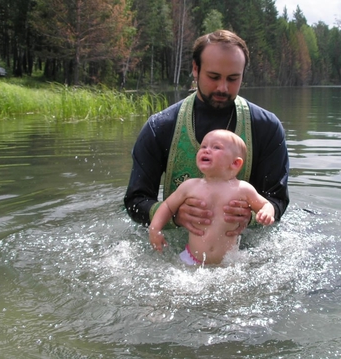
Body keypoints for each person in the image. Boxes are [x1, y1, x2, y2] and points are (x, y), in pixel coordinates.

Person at [124, 29, 289, 237]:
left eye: (233, 79)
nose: (223, 87)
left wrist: (251, 217)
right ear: (195, 69)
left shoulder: (266, 127)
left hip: (243, 251)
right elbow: (135, 202)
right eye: (214, 77)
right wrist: (174, 215)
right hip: (173, 250)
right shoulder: (160, 127)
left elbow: (278, 200)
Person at [149, 130, 275, 265]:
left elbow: (266, 204)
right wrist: (155, 228)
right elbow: (167, 206)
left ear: (235, 163)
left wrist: (266, 212)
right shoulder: (190, 186)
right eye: (203, 146)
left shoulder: (243, 189)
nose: (206, 150)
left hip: (229, 262)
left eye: (216, 147)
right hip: (191, 259)